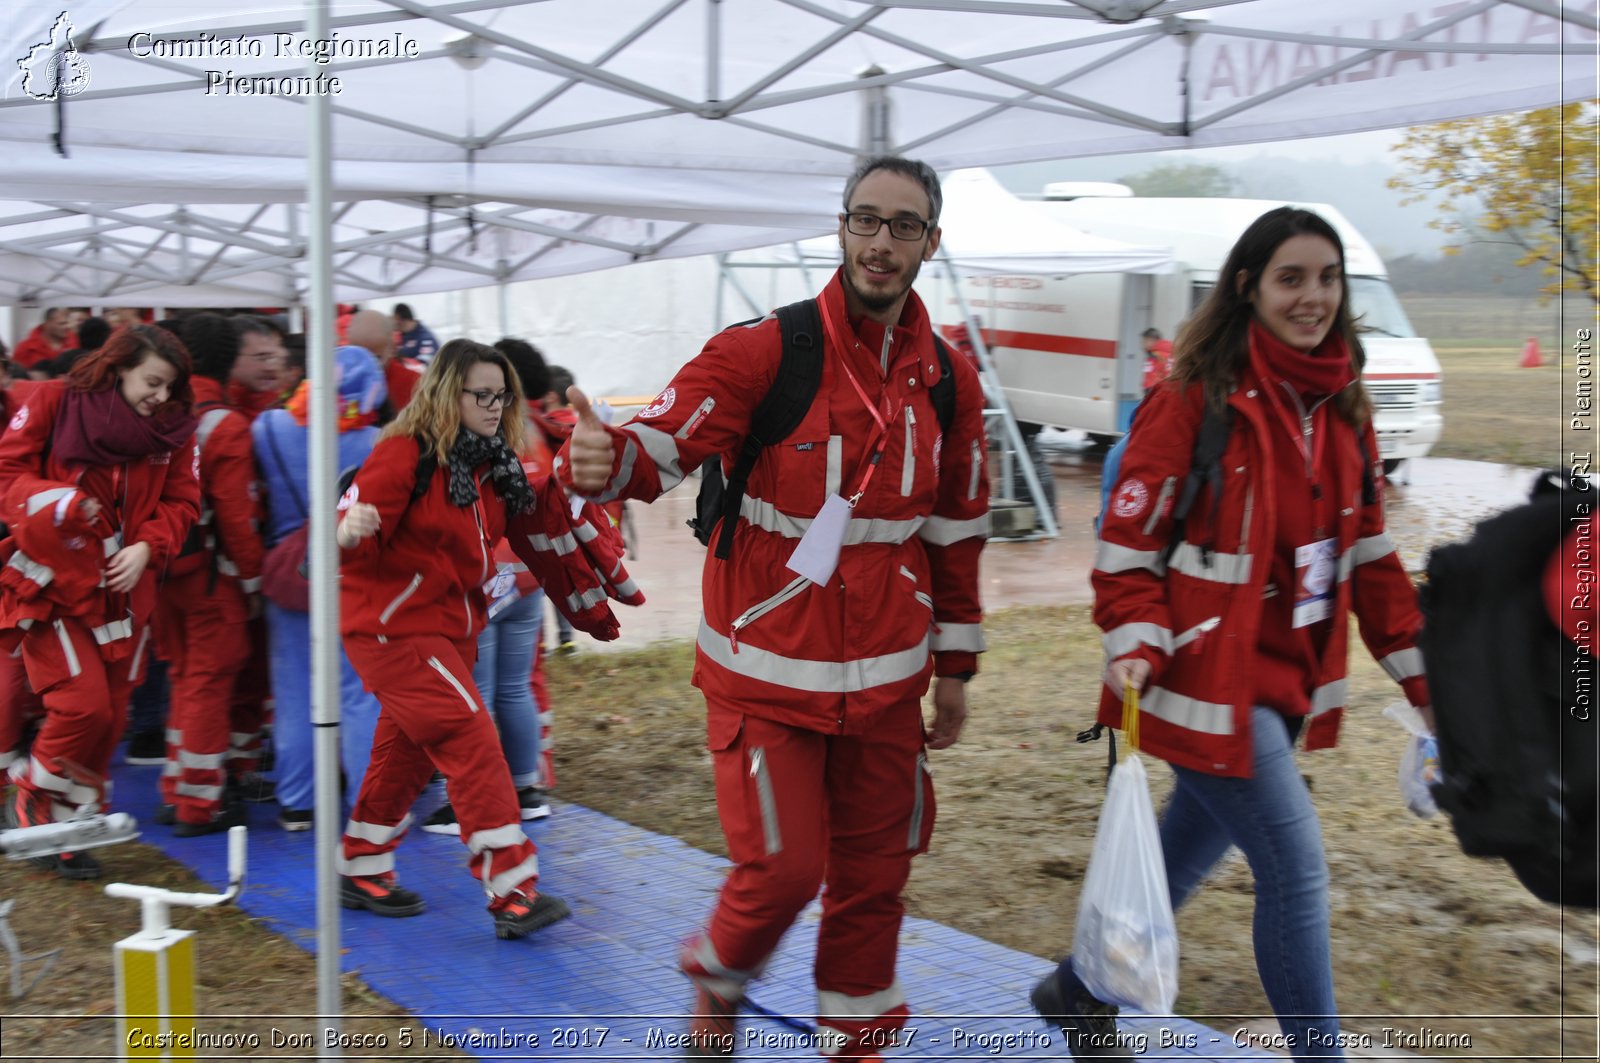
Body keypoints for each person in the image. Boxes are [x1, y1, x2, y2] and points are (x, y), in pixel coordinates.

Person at [563, 155, 990, 1060]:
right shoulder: (765, 349)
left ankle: (857, 1040)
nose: (881, 242)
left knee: (876, 878)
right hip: (764, 672)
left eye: (903, 225)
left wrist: (955, 667)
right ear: (839, 229)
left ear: (931, 242)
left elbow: (956, 527)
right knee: (787, 869)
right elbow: (664, 444)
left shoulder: (949, 378)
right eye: (865, 220)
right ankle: (718, 973)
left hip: (888, 685)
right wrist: (609, 463)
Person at [1032, 207, 1431, 1061]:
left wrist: (1427, 685)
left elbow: (1373, 563)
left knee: (1178, 859)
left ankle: (1077, 990)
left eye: (1328, 278)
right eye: (1292, 277)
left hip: (1285, 684)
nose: (1313, 296)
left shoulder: (1343, 407)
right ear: (1248, 287)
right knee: (1296, 870)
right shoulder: (1193, 401)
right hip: (1196, 684)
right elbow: (1126, 546)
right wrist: (1136, 634)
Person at [334, 339, 572, 939]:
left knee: (406, 752)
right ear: (447, 393)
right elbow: (350, 530)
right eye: (481, 395)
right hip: (394, 632)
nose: (495, 407)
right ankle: (512, 888)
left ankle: (361, 867)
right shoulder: (401, 453)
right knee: (471, 739)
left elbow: (525, 525)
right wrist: (352, 526)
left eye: (502, 396)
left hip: (451, 633)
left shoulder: (491, 463)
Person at [0, 325, 200, 879]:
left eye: (170, 387)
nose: (161, 397)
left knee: (108, 722)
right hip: (51, 585)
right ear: (118, 369)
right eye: (153, 383)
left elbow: (185, 501)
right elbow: (8, 472)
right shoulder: (53, 401)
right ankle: (30, 792)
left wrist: (146, 545)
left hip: (124, 595)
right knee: (82, 706)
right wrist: (57, 502)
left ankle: (67, 831)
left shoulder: (177, 431)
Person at [422, 337, 556, 834]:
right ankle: (525, 790)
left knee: (473, 693)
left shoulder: (470, 437)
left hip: (483, 578)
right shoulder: (531, 434)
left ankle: (472, 803)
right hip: (526, 575)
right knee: (513, 687)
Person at [254, 345, 388, 832]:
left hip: (289, 576)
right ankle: (368, 807)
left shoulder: (267, 428)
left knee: (293, 690)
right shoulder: (381, 441)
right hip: (351, 575)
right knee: (359, 693)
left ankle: (296, 802)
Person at [152, 313, 266, 836]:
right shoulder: (225, 424)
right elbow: (239, 520)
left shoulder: (154, 407)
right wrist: (253, 584)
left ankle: (178, 789)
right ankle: (200, 804)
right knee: (208, 681)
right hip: (211, 575)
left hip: (158, 569)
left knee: (184, 678)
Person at [346, 309, 424, 414]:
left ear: (392, 348)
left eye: (376, 359)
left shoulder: (415, 385)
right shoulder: (341, 385)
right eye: (359, 358)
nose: (367, 366)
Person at [11, 308, 76, 372]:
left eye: (67, 323)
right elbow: (16, 374)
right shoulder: (25, 347)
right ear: (47, 324)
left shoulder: (74, 342)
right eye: (61, 324)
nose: (67, 327)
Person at [1140, 326, 1173, 392]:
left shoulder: (1160, 355)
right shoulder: (1151, 354)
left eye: (1144, 341)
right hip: (1151, 390)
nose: (1142, 344)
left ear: (1153, 341)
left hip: (1157, 391)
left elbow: (1167, 374)